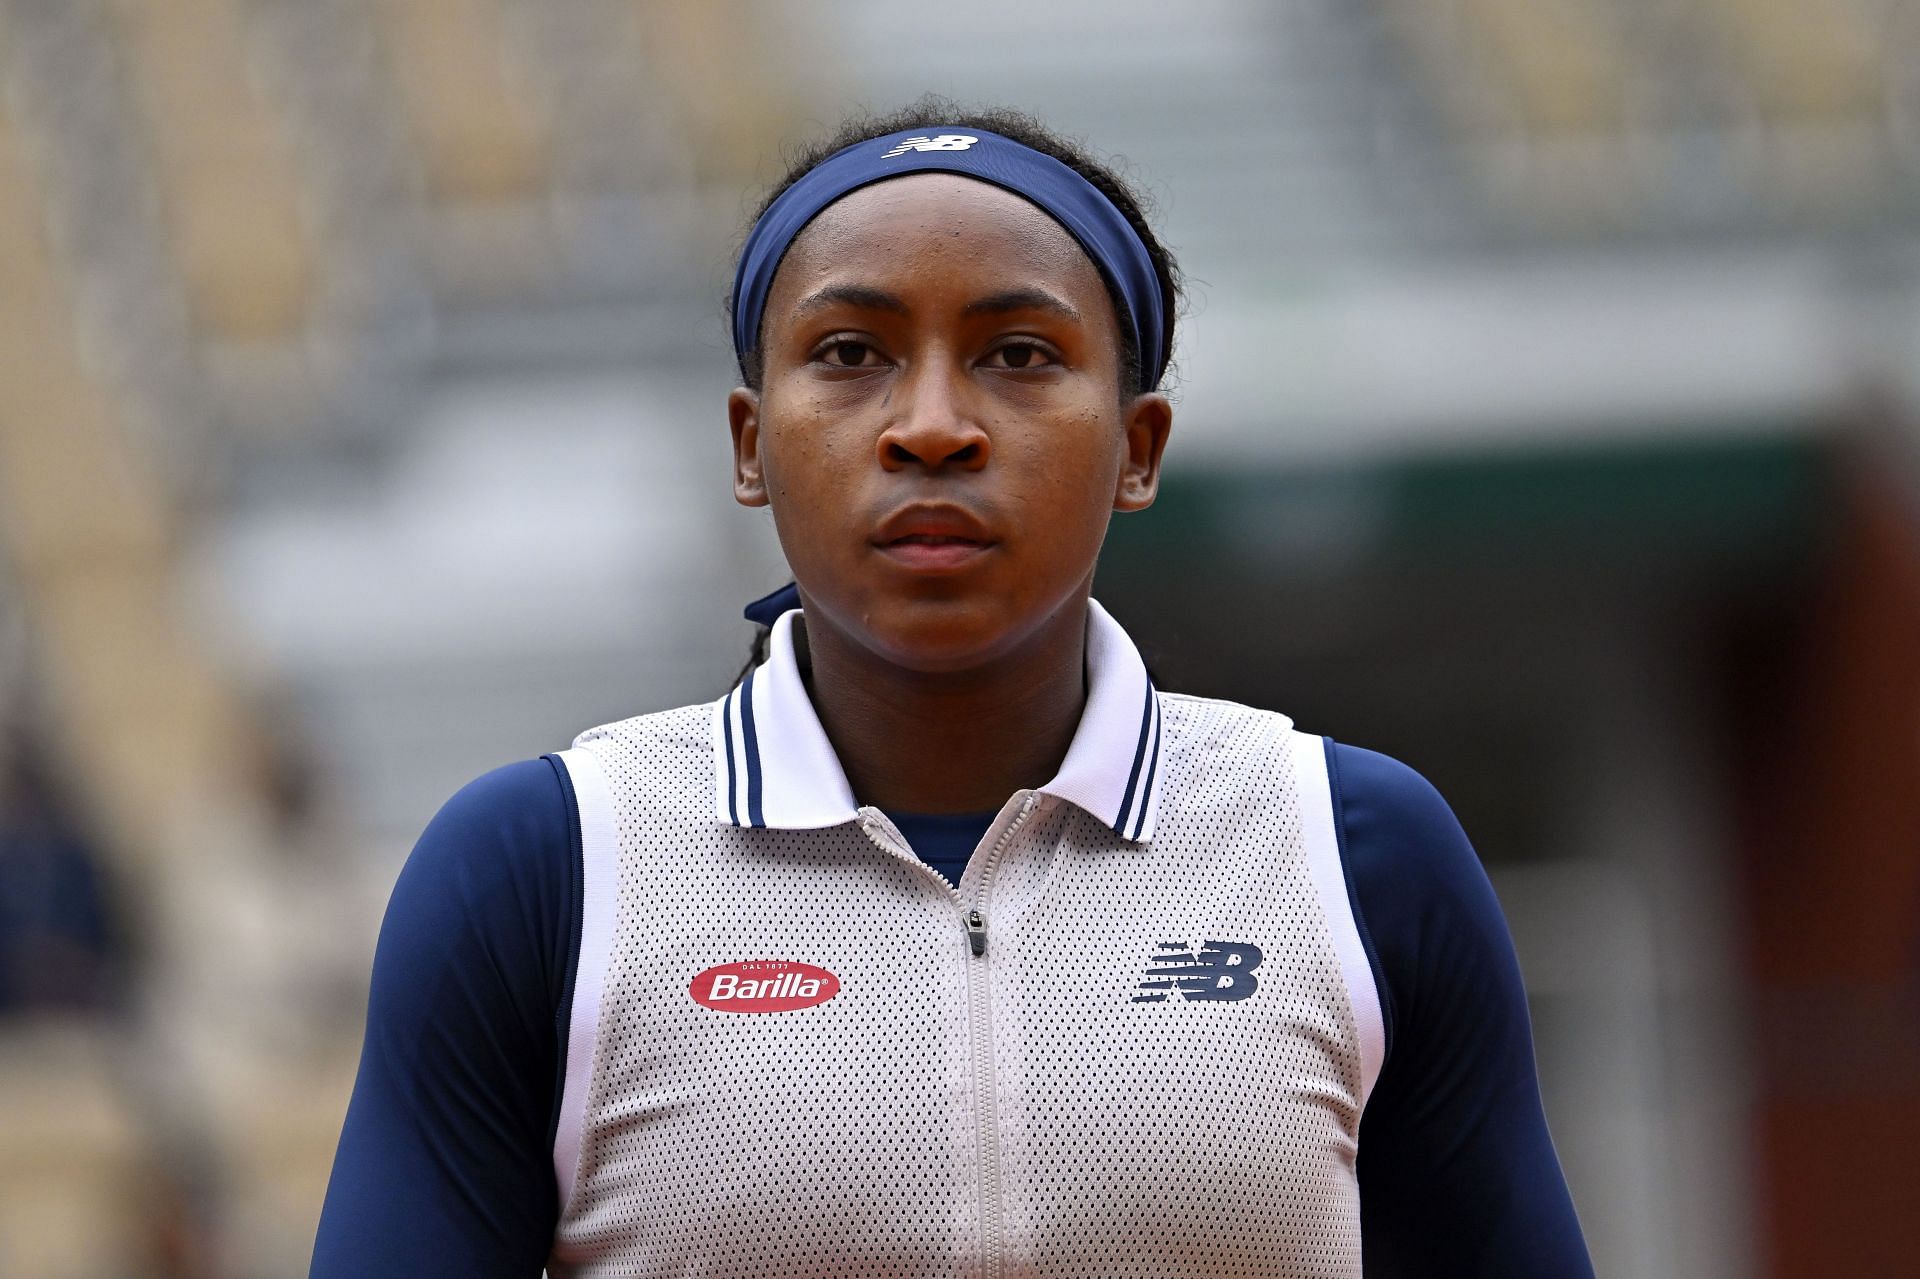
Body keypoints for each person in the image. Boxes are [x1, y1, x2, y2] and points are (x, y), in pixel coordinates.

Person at [311, 101, 1594, 1277]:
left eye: (1020, 354)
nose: (931, 424)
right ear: (753, 447)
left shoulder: (1354, 848)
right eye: (854, 350)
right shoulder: (546, 867)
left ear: (1137, 449)